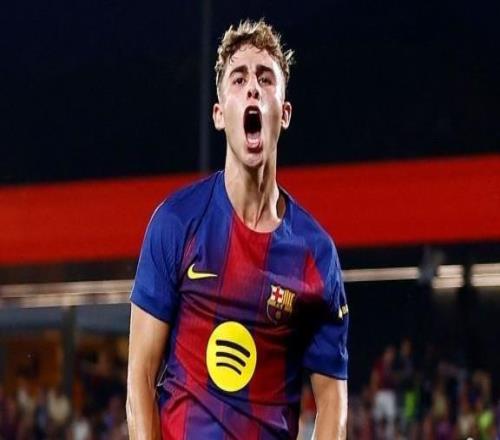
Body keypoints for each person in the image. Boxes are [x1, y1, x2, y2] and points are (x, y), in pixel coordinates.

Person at [127, 19, 349, 439]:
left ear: (284, 113)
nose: (253, 89)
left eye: (265, 79)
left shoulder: (316, 254)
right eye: (239, 78)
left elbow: (332, 402)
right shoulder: (176, 223)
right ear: (218, 114)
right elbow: (140, 375)